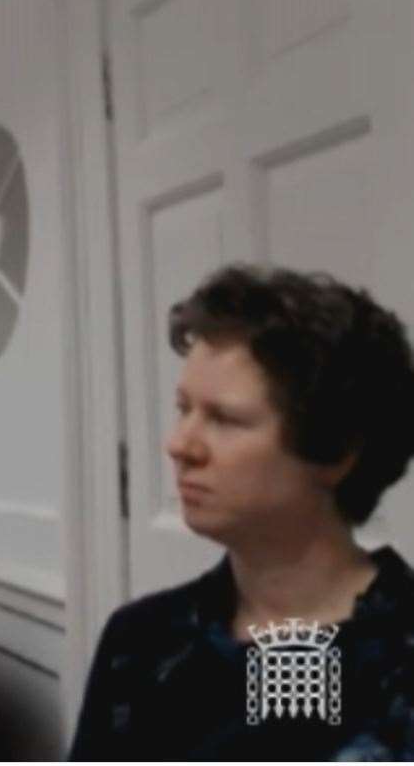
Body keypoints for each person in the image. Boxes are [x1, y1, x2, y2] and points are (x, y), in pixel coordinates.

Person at [71, 265, 414, 760]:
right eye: (183, 409)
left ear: (336, 451)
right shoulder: (142, 642)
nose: (179, 445)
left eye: (224, 419)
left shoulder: (398, 655)